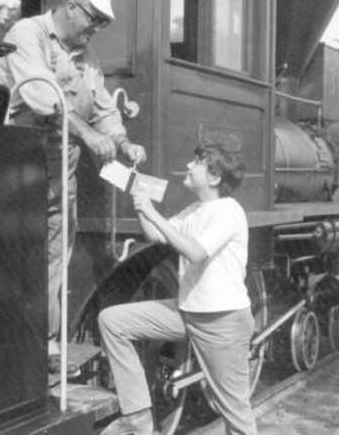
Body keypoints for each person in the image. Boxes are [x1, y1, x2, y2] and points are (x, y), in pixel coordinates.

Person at [0, 0, 146, 373]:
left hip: (62, 180)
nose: (96, 30)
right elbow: (42, 99)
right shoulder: (27, 34)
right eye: (94, 19)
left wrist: (122, 141)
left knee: (54, 262)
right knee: (13, 256)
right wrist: (89, 134)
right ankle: (6, 345)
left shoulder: (86, 58)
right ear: (71, 7)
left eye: (103, 24)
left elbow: (102, 108)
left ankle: (42, 347)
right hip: (14, 175)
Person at [98, 142, 257, 435]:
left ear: (214, 177)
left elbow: (196, 252)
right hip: (186, 313)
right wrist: (141, 206)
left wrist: (153, 213)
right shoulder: (195, 210)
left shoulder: (228, 211)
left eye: (197, 162)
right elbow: (156, 235)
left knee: (236, 414)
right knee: (112, 321)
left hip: (222, 322)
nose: (188, 165)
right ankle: (138, 417)